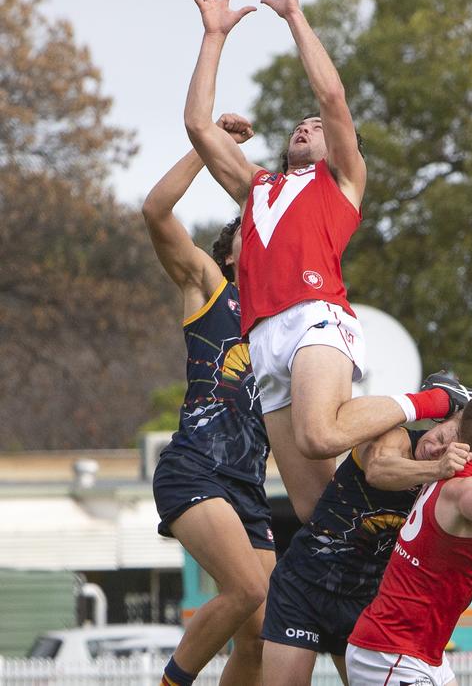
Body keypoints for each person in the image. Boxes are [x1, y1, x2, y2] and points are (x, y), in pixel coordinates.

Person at [183, 0, 472, 520]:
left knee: (319, 436)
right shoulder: (256, 188)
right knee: (319, 513)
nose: (305, 126)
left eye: (315, 128)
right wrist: (214, 37)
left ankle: (439, 399)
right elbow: (198, 126)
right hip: (262, 338)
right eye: (301, 125)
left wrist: (295, 17)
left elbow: (333, 99)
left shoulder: (341, 181)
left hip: (316, 316)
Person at [262, 403, 472, 686]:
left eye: (450, 453)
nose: (437, 450)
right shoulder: (397, 440)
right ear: (443, 420)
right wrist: (439, 469)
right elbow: (378, 471)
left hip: (365, 598)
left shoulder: (453, 473)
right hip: (308, 587)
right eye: (441, 437)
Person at [142, 141, 276, 686]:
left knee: (262, 641)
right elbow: (156, 210)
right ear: (228, 253)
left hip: (250, 490)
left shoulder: (287, 326)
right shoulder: (213, 289)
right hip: (196, 468)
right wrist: (207, 141)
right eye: (254, 228)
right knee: (245, 589)